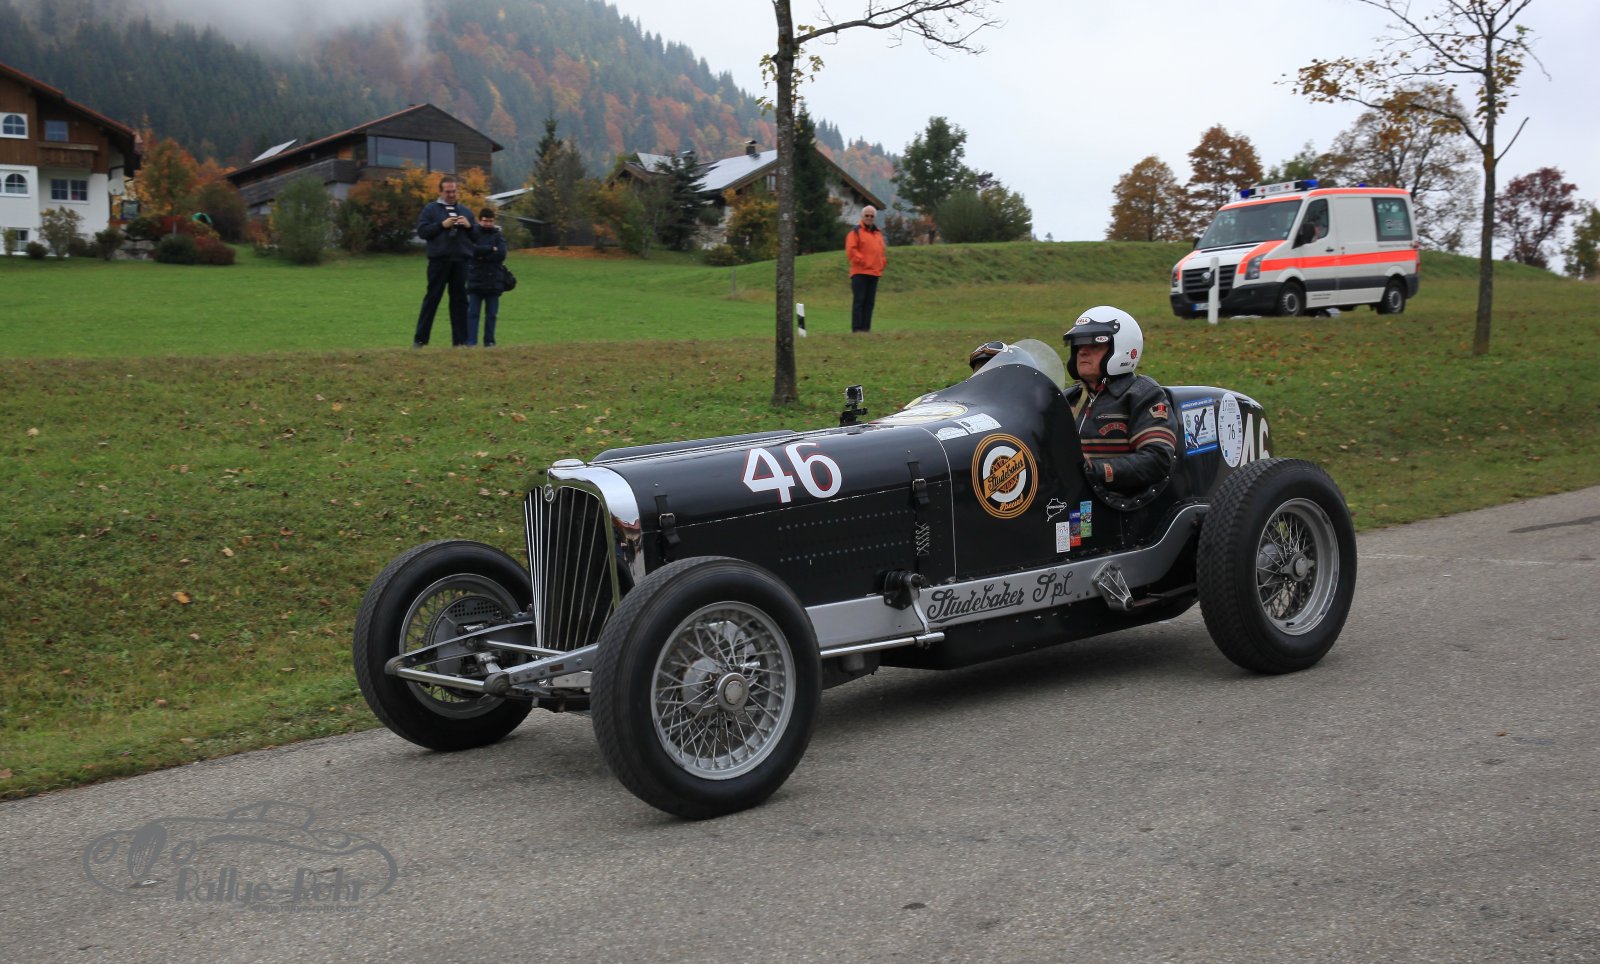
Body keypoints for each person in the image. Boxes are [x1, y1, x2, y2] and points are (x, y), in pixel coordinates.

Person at [1063, 306, 1178, 503]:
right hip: (1067, 499)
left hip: (1114, 504)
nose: (1082, 351)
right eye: (1078, 345)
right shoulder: (1068, 399)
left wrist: (1095, 471)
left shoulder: (1142, 396)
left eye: (1095, 344)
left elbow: (1157, 460)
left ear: (1121, 349)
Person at [412, 174, 477, 347]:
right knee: (432, 299)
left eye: (454, 191)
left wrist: (469, 226)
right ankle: (420, 340)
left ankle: (460, 342)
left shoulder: (466, 212)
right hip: (439, 261)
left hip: (461, 261)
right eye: (448, 192)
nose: (451, 195)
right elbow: (422, 232)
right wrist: (442, 225)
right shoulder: (430, 210)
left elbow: (477, 236)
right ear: (440, 192)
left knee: (460, 301)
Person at [465, 207, 508, 347]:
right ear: (480, 220)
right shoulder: (473, 233)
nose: (488, 224)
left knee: (492, 314)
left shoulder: (498, 235)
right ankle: (471, 342)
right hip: (475, 280)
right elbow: (471, 250)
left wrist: (482, 256)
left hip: (493, 281)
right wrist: (490, 249)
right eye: (485, 221)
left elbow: (502, 253)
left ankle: (489, 342)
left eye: (491, 221)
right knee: (473, 313)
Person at [845, 205, 886, 333]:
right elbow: (851, 250)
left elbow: (881, 251)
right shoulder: (855, 232)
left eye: (871, 216)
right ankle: (857, 329)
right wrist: (863, 261)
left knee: (869, 303)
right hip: (860, 272)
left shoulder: (878, 233)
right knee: (859, 301)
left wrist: (882, 263)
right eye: (867, 215)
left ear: (874, 218)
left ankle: (866, 329)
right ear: (862, 217)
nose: (869, 218)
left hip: (874, 272)